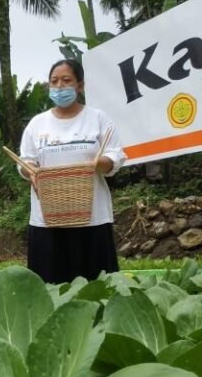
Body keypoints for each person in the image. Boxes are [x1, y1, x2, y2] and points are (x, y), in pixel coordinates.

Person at [18, 59, 126, 283]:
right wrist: (32, 172)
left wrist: (99, 163)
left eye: (66, 81)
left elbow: (116, 155)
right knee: (50, 284)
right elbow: (25, 162)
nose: (59, 87)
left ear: (80, 85)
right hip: (47, 218)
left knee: (97, 284)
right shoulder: (37, 124)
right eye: (54, 81)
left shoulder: (98, 119)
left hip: (92, 217)